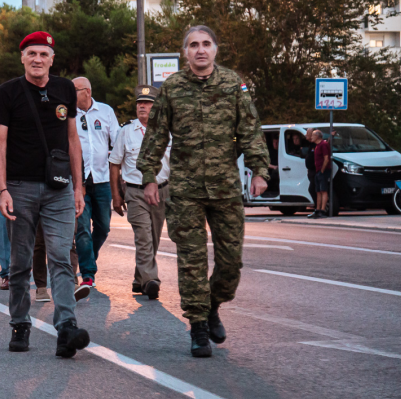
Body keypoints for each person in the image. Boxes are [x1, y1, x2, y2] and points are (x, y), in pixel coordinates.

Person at [139, 25, 269, 358]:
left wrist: (259, 170)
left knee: (231, 262)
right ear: (185, 52)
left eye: (206, 44)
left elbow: (250, 129)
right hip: (185, 190)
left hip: (225, 187)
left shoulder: (232, 84)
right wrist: (150, 176)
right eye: (193, 45)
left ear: (215, 49)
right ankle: (197, 326)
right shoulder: (172, 88)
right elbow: (155, 135)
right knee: (192, 260)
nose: (200, 50)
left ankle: (212, 305)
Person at [0, 31, 90, 358]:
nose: (37, 59)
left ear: (52, 58)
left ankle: (66, 328)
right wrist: (3, 189)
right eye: (31, 53)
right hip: (19, 189)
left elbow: (72, 139)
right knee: (20, 263)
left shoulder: (64, 89)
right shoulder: (8, 93)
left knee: (61, 256)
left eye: (43, 54)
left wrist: (79, 186)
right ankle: (20, 324)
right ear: (23, 57)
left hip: (59, 189)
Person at [110, 85, 170, 300]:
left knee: (153, 238)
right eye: (139, 103)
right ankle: (151, 280)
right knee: (144, 237)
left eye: (147, 103)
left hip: (163, 191)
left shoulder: (167, 130)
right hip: (135, 192)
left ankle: (139, 278)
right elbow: (115, 164)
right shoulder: (126, 131)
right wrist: (116, 195)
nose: (142, 106)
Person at [72, 77, 119, 290]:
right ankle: (88, 275)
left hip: (101, 179)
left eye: (75, 90)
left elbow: (117, 141)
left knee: (103, 227)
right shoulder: (68, 115)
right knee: (81, 229)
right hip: (78, 182)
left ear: (87, 92)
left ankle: (89, 257)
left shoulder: (106, 112)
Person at [310, 129, 332, 219]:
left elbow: (326, 158)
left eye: (312, 135)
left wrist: (322, 170)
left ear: (317, 136)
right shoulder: (317, 146)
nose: (311, 137)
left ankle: (323, 210)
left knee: (323, 190)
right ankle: (317, 209)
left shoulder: (323, 145)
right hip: (318, 171)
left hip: (323, 171)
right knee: (318, 191)